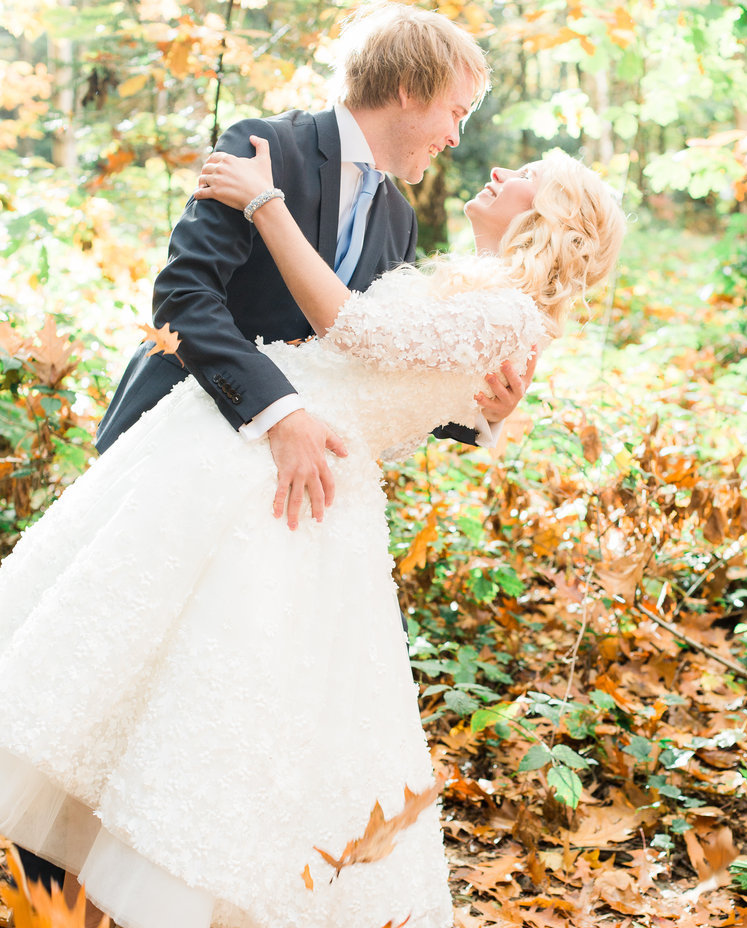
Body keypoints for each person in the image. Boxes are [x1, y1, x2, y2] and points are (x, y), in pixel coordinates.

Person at [0, 140, 624, 928]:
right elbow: (415, 382)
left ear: (549, 216)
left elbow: (351, 327)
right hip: (246, 456)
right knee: (131, 666)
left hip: (284, 486)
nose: (496, 169)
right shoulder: (480, 291)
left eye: (524, 177)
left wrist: (266, 204)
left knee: (210, 691)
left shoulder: (503, 311)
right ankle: (63, 888)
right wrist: (487, 413)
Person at [94, 2, 533, 530]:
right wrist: (279, 409)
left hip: (273, 493)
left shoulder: (399, 219)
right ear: (410, 90)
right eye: (456, 113)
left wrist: (482, 412)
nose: (456, 138)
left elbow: (376, 361)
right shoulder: (265, 147)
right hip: (173, 438)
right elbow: (183, 297)